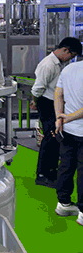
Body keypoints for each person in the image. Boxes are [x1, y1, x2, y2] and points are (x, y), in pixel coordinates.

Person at [31, 37, 82, 188]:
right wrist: (35, 101)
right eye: (71, 56)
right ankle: (42, 174)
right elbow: (37, 88)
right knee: (50, 137)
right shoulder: (48, 65)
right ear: (65, 50)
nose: (71, 59)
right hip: (46, 103)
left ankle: (52, 172)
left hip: (54, 103)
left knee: (55, 137)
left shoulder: (61, 64)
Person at [53, 56, 83, 226]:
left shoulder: (69, 69)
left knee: (66, 165)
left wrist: (59, 118)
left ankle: (63, 204)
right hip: (77, 127)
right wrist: (68, 118)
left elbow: (58, 94)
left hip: (67, 130)